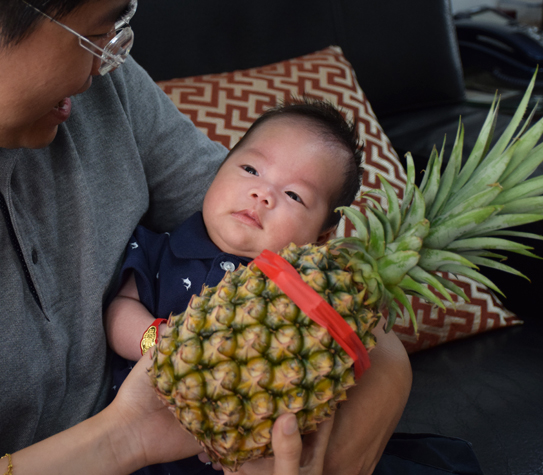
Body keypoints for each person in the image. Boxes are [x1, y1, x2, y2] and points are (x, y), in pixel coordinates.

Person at [0, 0, 412, 473]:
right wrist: (161, 352)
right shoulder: (165, 253)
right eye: (92, 35)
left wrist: (383, 377)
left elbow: (227, 200)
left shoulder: (108, 87)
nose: (106, 61)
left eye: (113, 30)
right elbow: (126, 318)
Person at [104, 99, 366, 473]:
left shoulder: (295, 302)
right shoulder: (157, 247)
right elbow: (118, 311)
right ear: (217, 170)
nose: (263, 194)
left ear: (322, 238)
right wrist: (160, 342)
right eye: (249, 168)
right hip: (130, 446)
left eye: (294, 195)